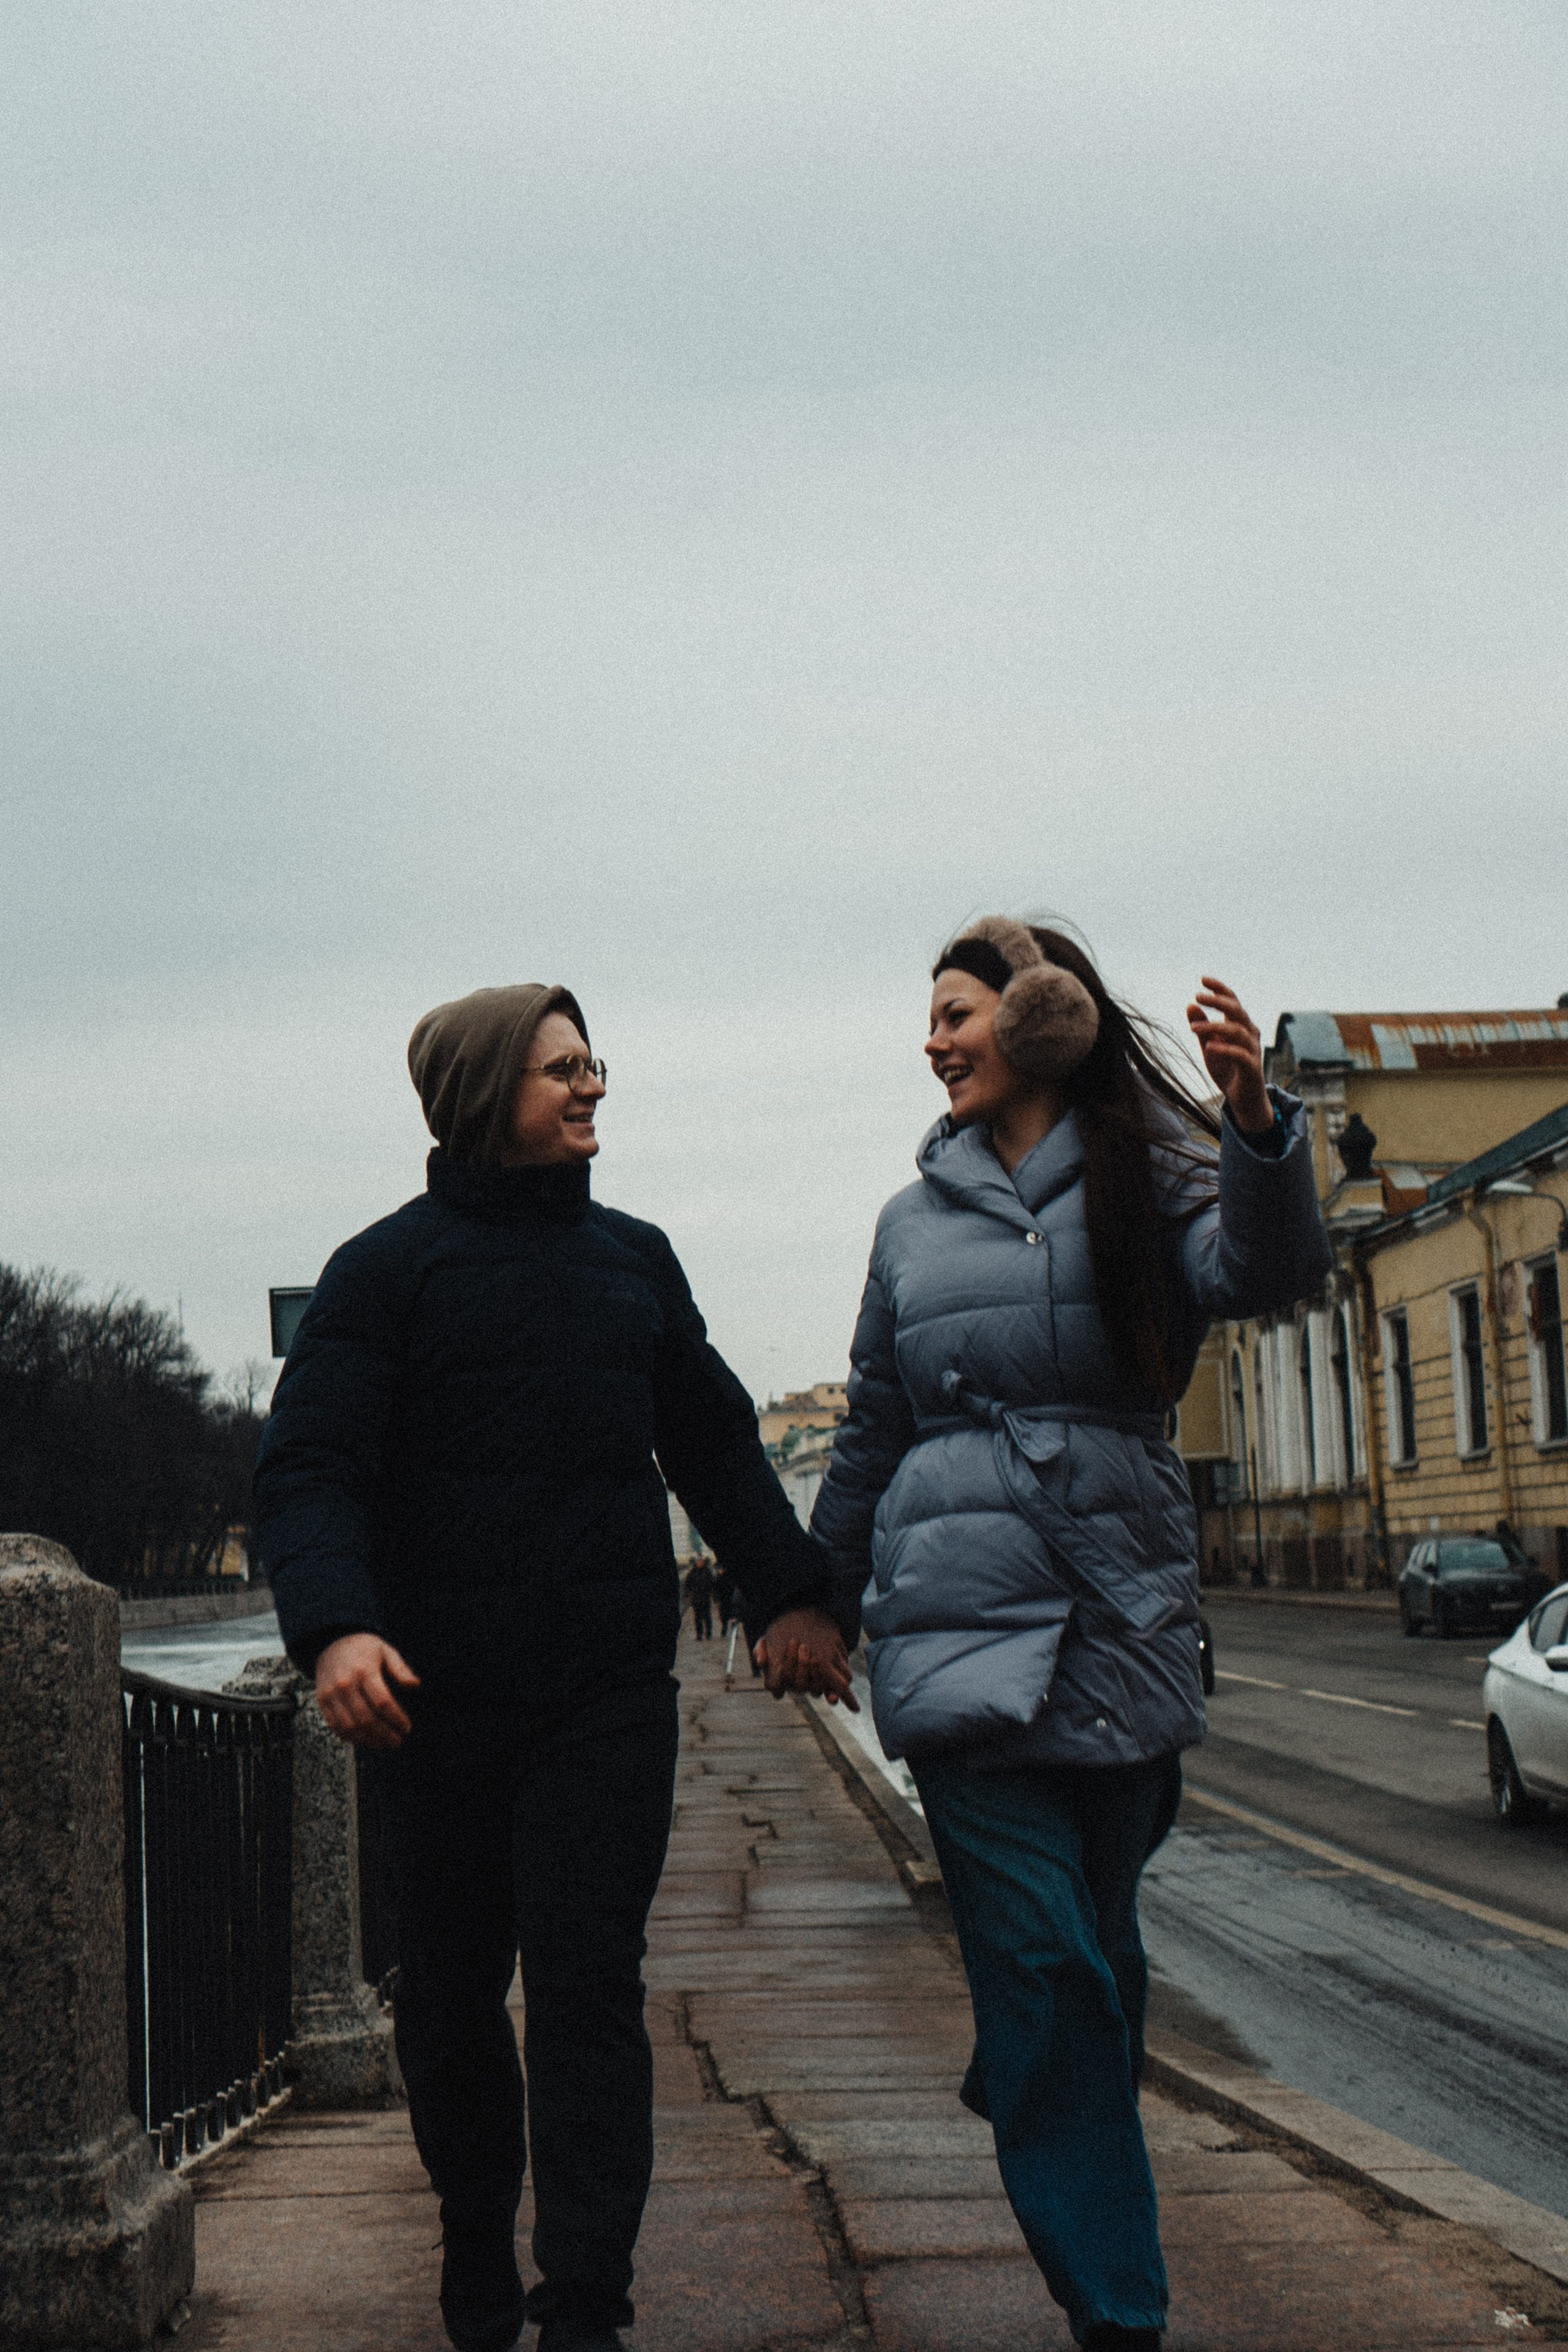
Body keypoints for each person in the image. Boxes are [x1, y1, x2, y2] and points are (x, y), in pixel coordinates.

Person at [252, 982, 854, 2352]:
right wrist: (336, 1628)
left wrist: (792, 1596)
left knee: (588, 1991)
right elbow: (310, 1469)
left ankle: (586, 2298)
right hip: (434, 1708)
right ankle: (475, 2231)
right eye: (560, 1068)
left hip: (603, 1701)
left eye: (593, 1065)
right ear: (485, 1095)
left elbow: (714, 1445)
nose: (591, 1088)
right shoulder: (383, 1273)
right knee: (451, 1996)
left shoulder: (635, 1262)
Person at [803, 919, 1331, 2352]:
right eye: (928, 1017)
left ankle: (1029, 2056)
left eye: (957, 1012)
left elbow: (1265, 1275)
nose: (932, 1041)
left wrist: (1253, 1126)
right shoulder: (910, 1222)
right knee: (1046, 1964)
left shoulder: (1150, 1171)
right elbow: (869, 1425)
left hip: (1122, 1615)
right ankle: (1118, 2311)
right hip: (954, 1624)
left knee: (1092, 1962)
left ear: (1042, 1016)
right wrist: (810, 1597)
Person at [682, 1555, 715, 1639]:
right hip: (696, 1598)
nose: (699, 1563)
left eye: (701, 1562)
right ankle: (699, 1635)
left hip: (705, 1597)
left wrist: (713, 1595)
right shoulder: (692, 1573)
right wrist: (687, 1594)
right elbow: (687, 1584)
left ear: (703, 1562)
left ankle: (708, 1633)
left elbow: (712, 1584)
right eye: (698, 1562)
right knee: (698, 1617)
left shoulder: (707, 1572)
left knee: (707, 1616)